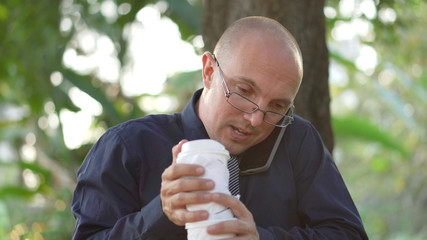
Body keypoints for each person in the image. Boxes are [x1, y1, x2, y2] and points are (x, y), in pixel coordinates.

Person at [71, 16, 368, 239]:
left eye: (277, 106)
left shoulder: (295, 141)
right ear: (209, 72)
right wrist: (160, 214)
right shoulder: (127, 146)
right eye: (244, 91)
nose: (255, 119)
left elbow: (349, 234)